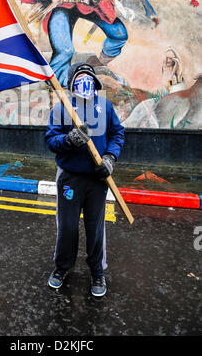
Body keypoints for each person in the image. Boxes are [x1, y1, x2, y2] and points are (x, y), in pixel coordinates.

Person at [44, 62, 124, 297]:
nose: (85, 81)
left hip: (97, 180)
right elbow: (51, 140)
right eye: (80, 77)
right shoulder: (63, 108)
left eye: (89, 77)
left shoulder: (105, 106)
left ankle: (97, 271)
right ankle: (62, 267)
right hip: (69, 178)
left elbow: (117, 134)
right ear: (71, 83)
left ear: (95, 81)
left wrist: (110, 157)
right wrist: (68, 140)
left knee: (96, 228)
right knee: (67, 227)